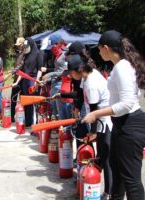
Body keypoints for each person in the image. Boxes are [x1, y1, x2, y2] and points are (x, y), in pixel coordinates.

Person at [82, 30, 145, 200]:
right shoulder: (122, 66)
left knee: (131, 180)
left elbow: (126, 104)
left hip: (129, 126)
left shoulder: (122, 67)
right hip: (122, 125)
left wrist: (96, 113)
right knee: (118, 175)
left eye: (100, 49)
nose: (99, 52)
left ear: (107, 48)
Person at [66, 54, 113, 199]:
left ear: (77, 70)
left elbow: (94, 111)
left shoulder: (91, 83)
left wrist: (93, 133)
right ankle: (93, 184)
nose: (70, 76)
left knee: (105, 159)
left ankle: (109, 192)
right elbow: (81, 97)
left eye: (70, 73)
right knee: (101, 157)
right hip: (98, 122)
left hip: (104, 124)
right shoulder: (86, 77)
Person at [12, 38, 43, 128]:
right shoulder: (26, 55)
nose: (25, 48)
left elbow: (40, 69)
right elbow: (23, 71)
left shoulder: (38, 54)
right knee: (26, 102)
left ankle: (35, 123)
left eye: (26, 46)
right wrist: (17, 82)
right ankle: (29, 122)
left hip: (32, 80)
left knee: (33, 103)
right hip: (25, 80)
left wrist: (36, 81)